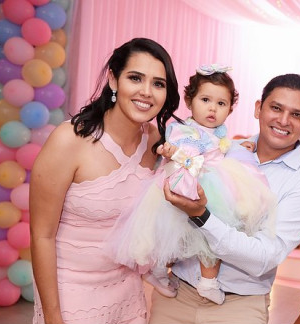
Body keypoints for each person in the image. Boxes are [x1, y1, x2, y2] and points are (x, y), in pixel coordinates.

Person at [136, 74, 300, 324]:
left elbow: (266, 256)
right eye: (276, 108)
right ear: (258, 108)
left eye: (296, 114)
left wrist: (202, 217)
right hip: (179, 293)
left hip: (240, 307)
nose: (284, 120)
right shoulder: (223, 147)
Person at [30, 38, 180, 324]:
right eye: (135, 78)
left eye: (158, 83)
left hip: (126, 292)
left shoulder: (156, 142)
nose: (146, 92)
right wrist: (54, 322)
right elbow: (41, 235)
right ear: (113, 79)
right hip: (73, 295)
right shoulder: (70, 140)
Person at [108, 65, 275, 304]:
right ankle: (158, 271)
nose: (212, 108)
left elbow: (221, 146)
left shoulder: (219, 131)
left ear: (230, 108)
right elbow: (185, 152)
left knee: (212, 236)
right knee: (166, 233)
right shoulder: (184, 130)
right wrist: (174, 151)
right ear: (190, 101)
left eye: (221, 103)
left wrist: (238, 145)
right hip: (187, 181)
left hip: (212, 184)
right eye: (205, 100)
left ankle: (207, 282)